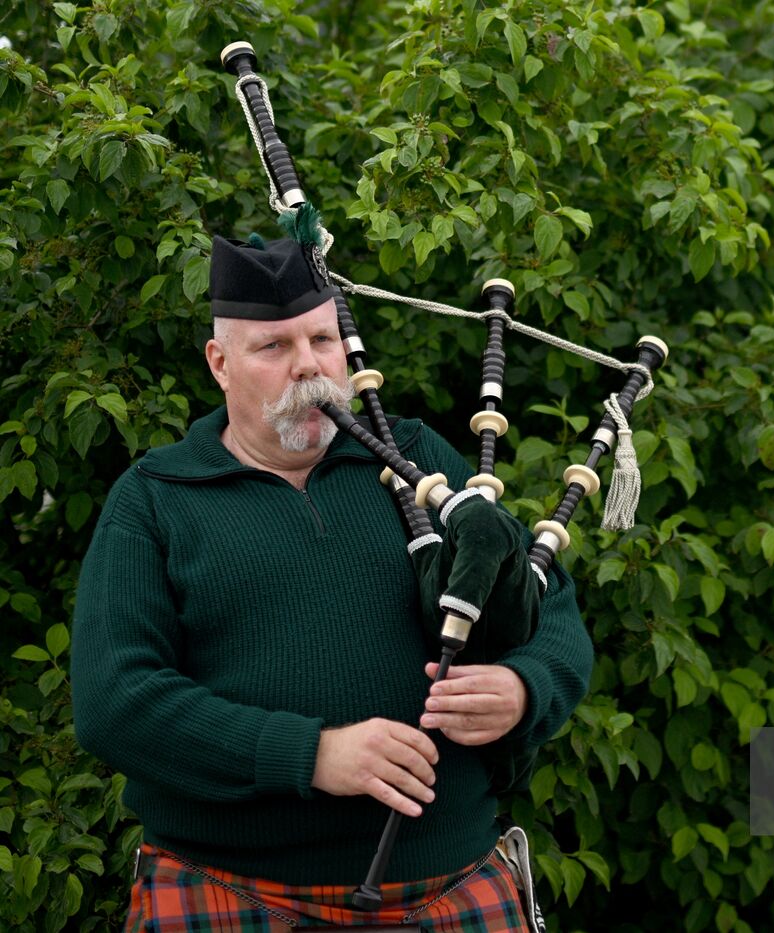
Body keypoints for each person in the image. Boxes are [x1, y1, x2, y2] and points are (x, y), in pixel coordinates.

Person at [71, 235, 592, 931]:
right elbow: (116, 701)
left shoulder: (417, 460)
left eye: (322, 339)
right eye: (274, 347)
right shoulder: (156, 499)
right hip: (230, 888)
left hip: (451, 882)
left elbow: (547, 603)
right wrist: (312, 753)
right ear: (219, 364)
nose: (309, 366)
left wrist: (525, 687)